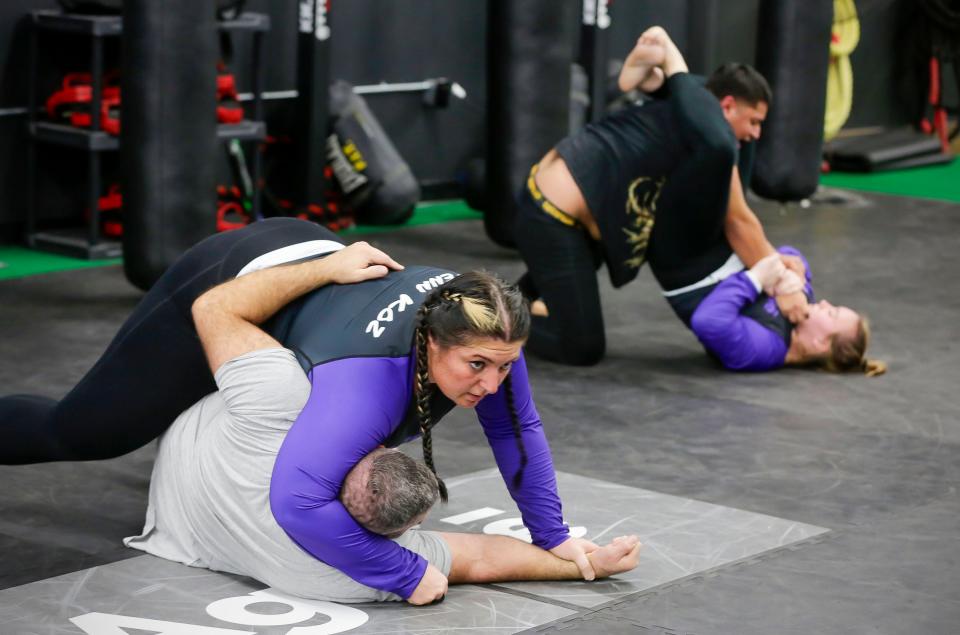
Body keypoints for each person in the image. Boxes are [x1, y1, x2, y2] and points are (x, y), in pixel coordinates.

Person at [0, 217, 601, 604]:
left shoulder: (487, 328)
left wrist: (552, 538)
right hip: (232, 281)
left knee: (322, 432)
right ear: (431, 343)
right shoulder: (365, 387)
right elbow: (299, 504)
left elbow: (518, 427)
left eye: (504, 367)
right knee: (86, 430)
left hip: (319, 277)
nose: (494, 384)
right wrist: (406, 575)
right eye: (478, 368)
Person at [123, 336, 641, 602]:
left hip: (187, 428)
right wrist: (583, 565)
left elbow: (218, 313)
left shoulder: (281, 399)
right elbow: (481, 558)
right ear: (405, 533)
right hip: (170, 516)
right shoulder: (344, 575)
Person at [515, 27, 813, 367]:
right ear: (728, 107)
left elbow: (703, 94)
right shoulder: (714, 137)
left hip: (582, 226)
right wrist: (783, 281)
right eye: (754, 122)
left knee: (550, 288)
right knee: (581, 347)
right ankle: (502, 324)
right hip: (550, 217)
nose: (756, 134)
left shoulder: (696, 111)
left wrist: (654, 79)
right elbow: (738, 218)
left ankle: (507, 303)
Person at [688, 250, 886, 375]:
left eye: (831, 313)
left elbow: (708, 321)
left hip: (687, 269)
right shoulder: (801, 304)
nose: (825, 303)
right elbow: (792, 254)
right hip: (712, 252)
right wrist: (794, 284)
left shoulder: (764, 349)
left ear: (821, 344)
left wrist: (755, 279)